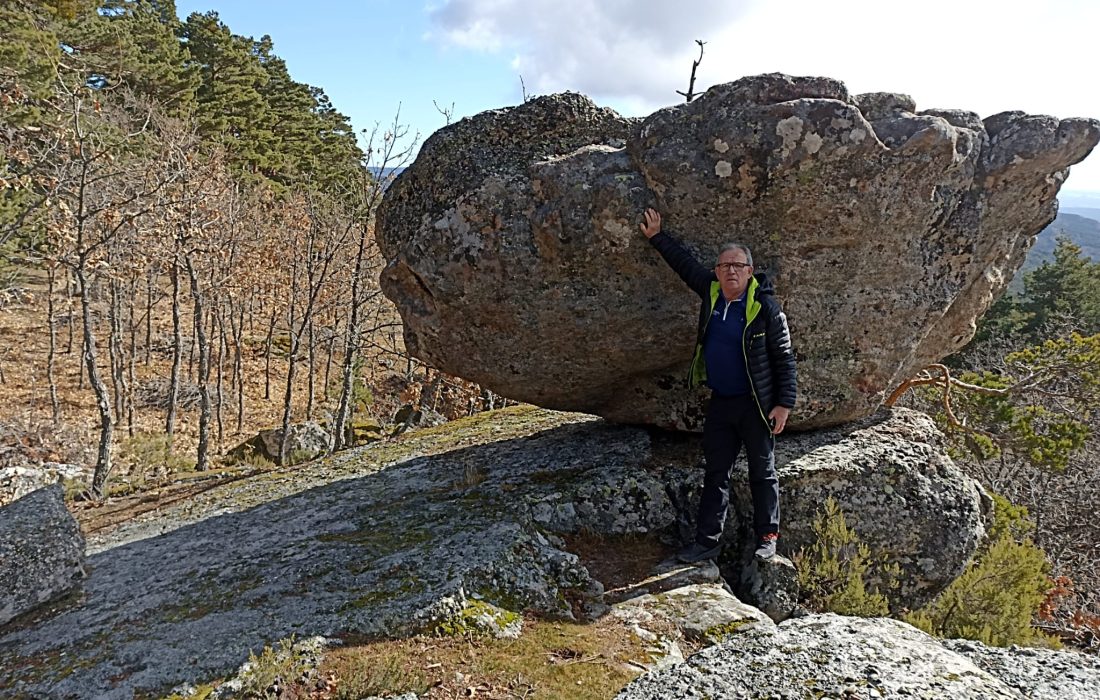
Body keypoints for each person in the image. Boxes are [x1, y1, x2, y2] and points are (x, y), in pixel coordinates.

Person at [639, 207, 797, 562]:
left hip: (756, 405)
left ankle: (767, 537)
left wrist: (783, 405)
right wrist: (656, 237)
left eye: (737, 266)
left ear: (749, 271)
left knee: (763, 472)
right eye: (724, 265)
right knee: (715, 473)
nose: (730, 271)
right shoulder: (711, 293)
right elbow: (684, 266)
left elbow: (785, 358)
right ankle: (707, 541)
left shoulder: (767, 309)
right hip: (722, 402)